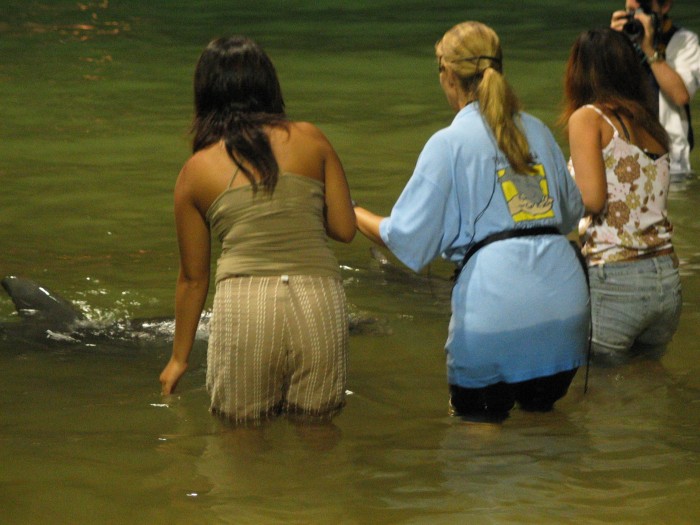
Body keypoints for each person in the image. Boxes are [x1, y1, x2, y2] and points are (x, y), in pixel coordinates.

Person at [354, 21, 589, 422]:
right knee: (544, 426)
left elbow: (406, 237)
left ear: (447, 75)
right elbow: (570, 212)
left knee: (477, 439)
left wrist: (353, 213)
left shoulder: (447, 143)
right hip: (566, 311)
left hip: (495, 310)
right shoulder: (536, 131)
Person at [159, 36, 356, 425]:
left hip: (245, 307)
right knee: (320, 440)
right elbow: (345, 229)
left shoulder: (195, 172)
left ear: (205, 95)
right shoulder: (312, 138)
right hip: (318, 300)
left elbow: (193, 279)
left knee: (238, 447)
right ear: (269, 86)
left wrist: (179, 358)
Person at [562, 28, 682, 365]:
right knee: (647, 385)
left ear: (579, 71)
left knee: (603, 399)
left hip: (617, 278)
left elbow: (594, 200)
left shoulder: (587, 118)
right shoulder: (650, 123)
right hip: (666, 277)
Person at [611, 0, 700, 179]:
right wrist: (612, 43)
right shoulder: (620, 40)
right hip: (623, 156)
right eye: (631, 12)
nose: (637, 18)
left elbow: (680, 96)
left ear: (665, 5)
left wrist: (649, 49)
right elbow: (600, 95)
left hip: (670, 160)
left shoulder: (684, 41)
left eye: (643, 10)